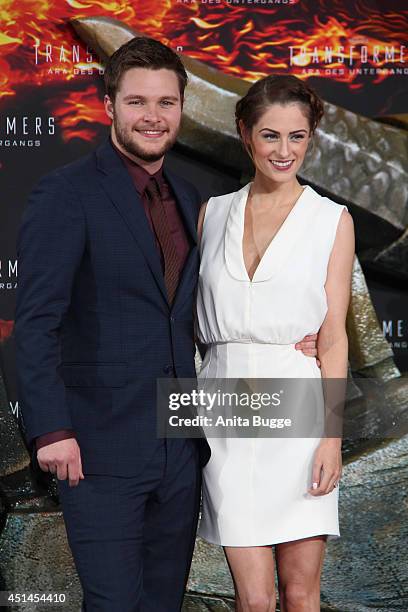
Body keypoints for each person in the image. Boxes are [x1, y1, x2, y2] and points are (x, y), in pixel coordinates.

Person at [14, 37, 317, 611]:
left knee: (162, 603)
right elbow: (34, 324)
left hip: (182, 446)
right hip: (98, 448)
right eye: (137, 102)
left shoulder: (188, 195)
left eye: (167, 103)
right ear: (109, 106)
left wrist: (288, 338)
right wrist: (51, 431)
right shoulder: (66, 193)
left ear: (182, 108)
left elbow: (200, 312)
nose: (152, 117)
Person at [196, 75, 355, 612]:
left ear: (310, 139)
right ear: (245, 134)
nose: (284, 151)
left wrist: (330, 438)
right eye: (270, 136)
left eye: (298, 137)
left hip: (300, 412)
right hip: (224, 410)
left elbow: (333, 340)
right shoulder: (212, 214)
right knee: (256, 597)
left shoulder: (331, 220)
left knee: (300, 590)